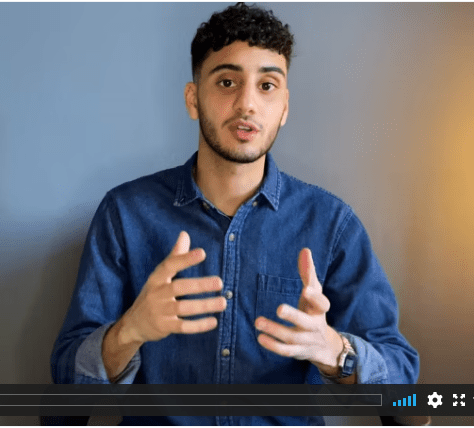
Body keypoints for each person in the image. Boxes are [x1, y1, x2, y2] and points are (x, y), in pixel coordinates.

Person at [51, 3, 419, 425]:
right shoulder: (125, 214)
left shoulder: (332, 225)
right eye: (227, 82)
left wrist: (336, 351)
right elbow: (67, 394)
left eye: (267, 86)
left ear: (284, 107)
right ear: (193, 99)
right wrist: (129, 332)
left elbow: (404, 391)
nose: (247, 104)